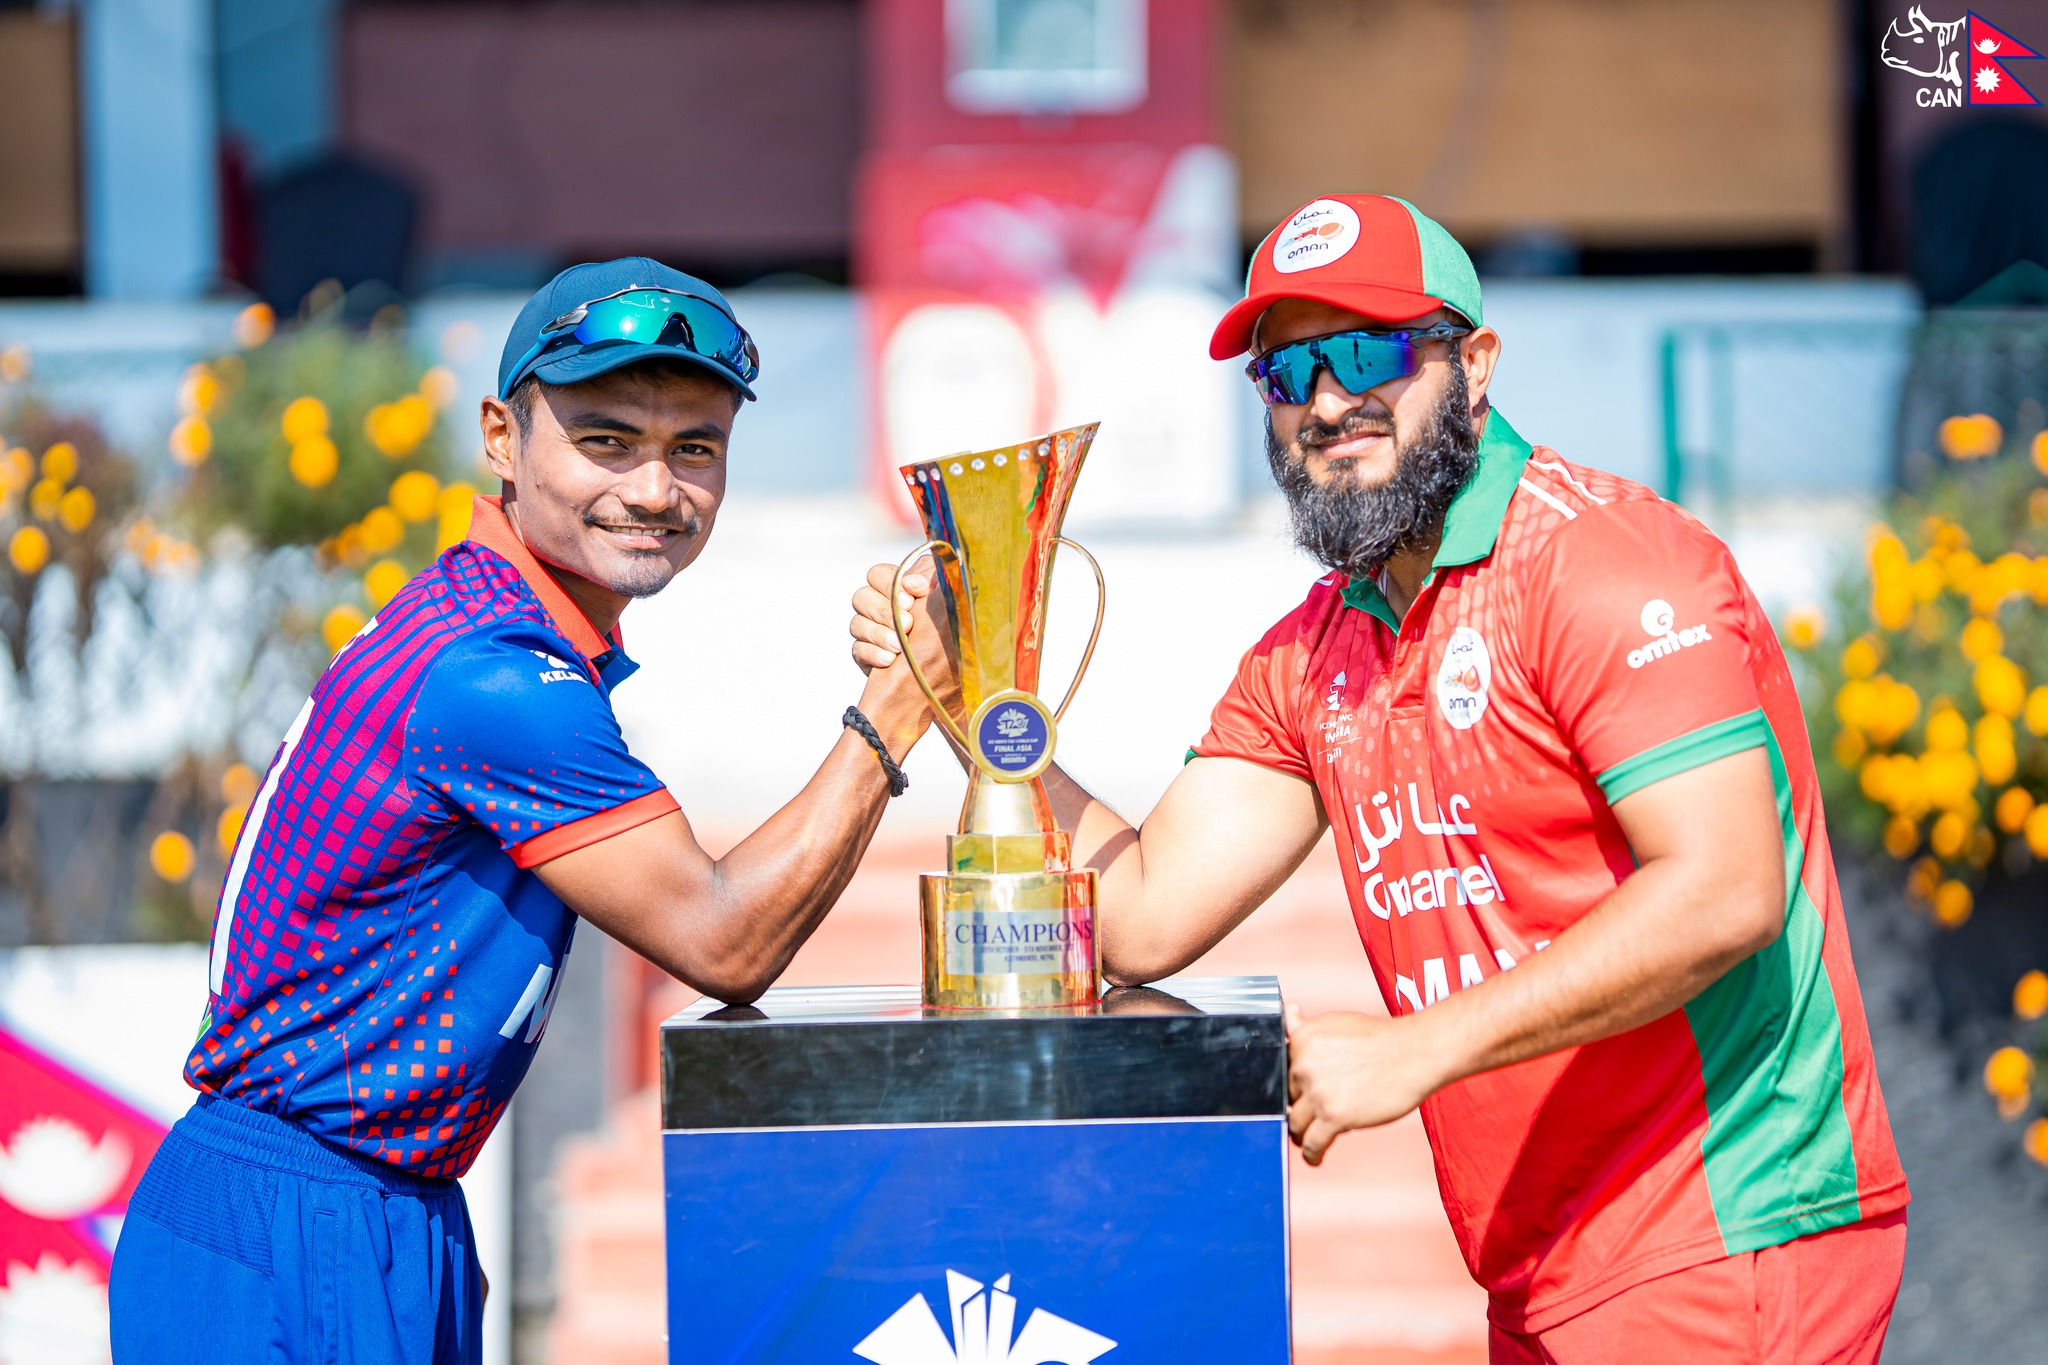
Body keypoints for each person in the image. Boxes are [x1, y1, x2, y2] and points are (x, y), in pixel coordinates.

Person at [850, 195, 1910, 1361]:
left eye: (1367, 351)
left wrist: (1412, 1048)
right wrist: (974, 704)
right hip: (1546, 1264)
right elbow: (1143, 913)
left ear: (1476, 364)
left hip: (1725, 1223)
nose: (1324, 402)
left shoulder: (1602, 561)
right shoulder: (1316, 649)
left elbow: (1722, 891)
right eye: (1285, 371)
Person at [111, 258, 935, 1364]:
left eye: (695, 448)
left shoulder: (494, 631)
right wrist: (901, 699)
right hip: (303, 1221)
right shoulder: (492, 677)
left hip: (373, 1205)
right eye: (605, 439)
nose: (654, 489)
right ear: (502, 438)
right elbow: (724, 939)